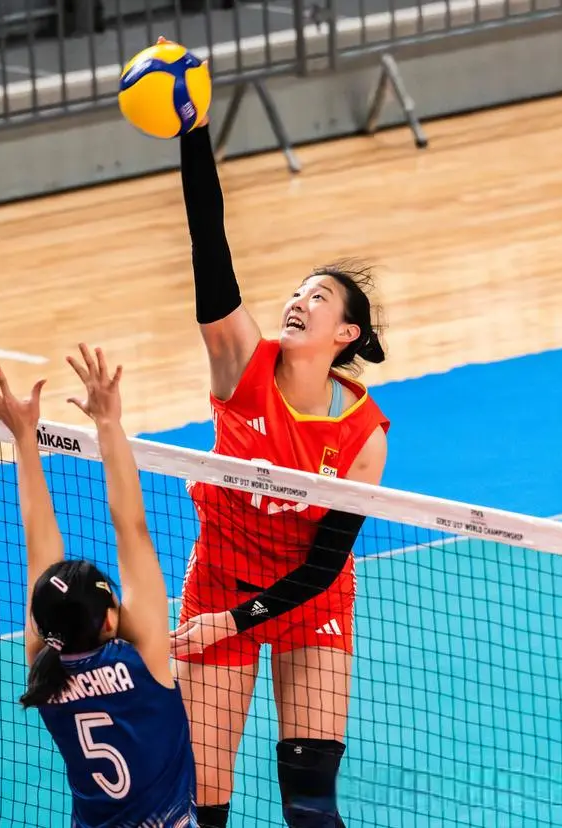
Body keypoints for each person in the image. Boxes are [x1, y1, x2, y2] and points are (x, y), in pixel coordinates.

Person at [167, 59, 391, 828]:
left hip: (309, 600)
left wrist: (238, 623)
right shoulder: (242, 366)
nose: (298, 301)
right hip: (219, 585)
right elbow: (210, 245)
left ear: (346, 334)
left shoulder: (363, 438)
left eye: (317, 297)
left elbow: (325, 564)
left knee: (310, 805)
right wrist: (194, 136)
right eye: (296, 291)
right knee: (202, 805)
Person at [0, 345, 196, 828]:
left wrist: (24, 439)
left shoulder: (44, 671)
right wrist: (107, 423)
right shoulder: (142, 660)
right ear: (110, 619)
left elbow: (43, 551)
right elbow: (130, 527)